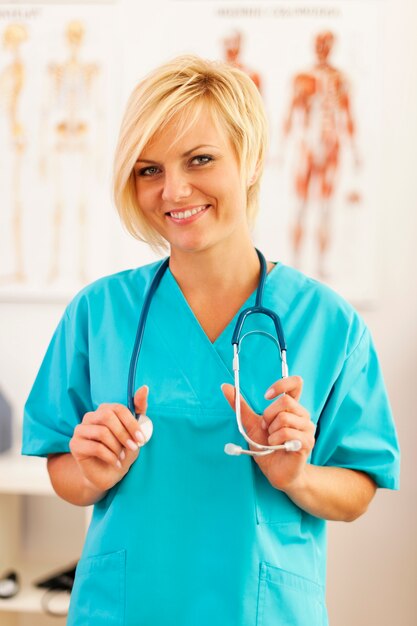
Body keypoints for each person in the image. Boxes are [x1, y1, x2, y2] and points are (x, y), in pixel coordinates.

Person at [22, 55, 400, 626]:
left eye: (200, 159)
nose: (174, 190)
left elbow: (360, 485)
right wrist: (92, 472)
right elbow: (61, 465)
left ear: (248, 161)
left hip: (263, 610)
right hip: (126, 608)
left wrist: (296, 475)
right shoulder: (98, 313)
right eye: (149, 170)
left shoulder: (329, 322)